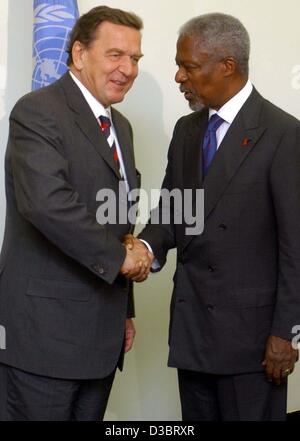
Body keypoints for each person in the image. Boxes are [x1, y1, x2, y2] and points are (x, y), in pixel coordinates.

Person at [126, 13, 300, 421]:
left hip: (254, 344)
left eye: (188, 66)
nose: (178, 78)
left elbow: (296, 246)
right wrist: (146, 247)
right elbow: (172, 208)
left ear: (227, 66)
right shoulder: (188, 131)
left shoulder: (283, 134)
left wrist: (287, 333)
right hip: (192, 332)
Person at [0, 5, 152, 421]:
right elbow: (47, 204)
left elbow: (118, 223)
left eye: (135, 58)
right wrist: (123, 259)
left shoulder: (121, 126)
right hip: (44, 340)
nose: (128, 68)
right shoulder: (37, 111)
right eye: (115, 54)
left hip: (100, 336)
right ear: (79, 54)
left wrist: (124, 311)